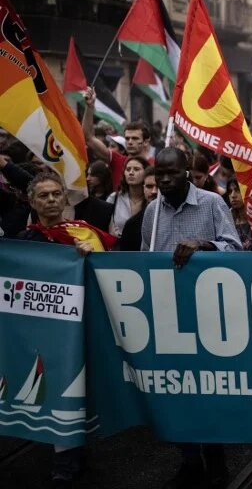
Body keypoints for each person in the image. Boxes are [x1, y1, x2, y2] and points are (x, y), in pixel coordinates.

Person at [141, 148, 242, 489]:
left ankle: (216, 459)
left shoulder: (213, 204)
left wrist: (203, 245)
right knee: (176, 392)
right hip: (168, 315)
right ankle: (189, 460)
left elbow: (234, 247)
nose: (164, 179)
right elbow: (144, 260)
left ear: (187, 171)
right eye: (160, 174)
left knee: (207, 390)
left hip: (208, 316)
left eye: (172, 172)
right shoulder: (152, 212)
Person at [17, 172, 113, 488]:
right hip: (40, 333)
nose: (52, 200)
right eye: (44, 196)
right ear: (32, 202)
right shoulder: (23, 242)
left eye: (57, 194)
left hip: (79, 328)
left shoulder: (83, 232)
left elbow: (108, 273)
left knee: (74, 391)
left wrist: (91, 254)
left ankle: (70, 457)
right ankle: (66, 458)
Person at [118, 166, 158, 251]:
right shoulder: (132, 225)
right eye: (149, 186)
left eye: (158, 186)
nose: (154, 191)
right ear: (143, 188)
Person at [107, 155, 148, 237]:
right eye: (128, 169)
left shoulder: (151, 198)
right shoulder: (114, 198)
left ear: (146, 172)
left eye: (136, 169)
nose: (131, 173)